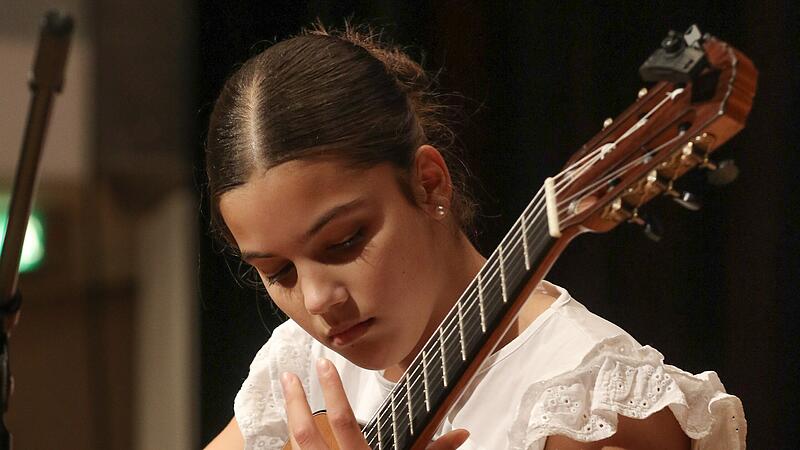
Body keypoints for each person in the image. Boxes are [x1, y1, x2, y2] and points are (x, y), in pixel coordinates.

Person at [202, 24, 745, 450]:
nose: (319, 300)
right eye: (279, 271)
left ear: (429, 183)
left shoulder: (586, 402)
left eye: (344, 241)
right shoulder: (304, 372)